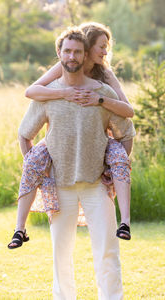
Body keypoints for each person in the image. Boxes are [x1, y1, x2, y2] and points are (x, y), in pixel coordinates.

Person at [16, 27, 136, 299]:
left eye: (77, 51)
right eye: (67, 51)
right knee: (61, 252)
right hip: (60, 185)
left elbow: (127, 129)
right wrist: (40, 168)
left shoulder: (103, 86)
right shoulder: (48, 92)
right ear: (59, 54)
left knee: (107, 249)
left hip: (96, 185)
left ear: (85, 56)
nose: (72, 56)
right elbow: (25, 134)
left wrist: (113, 167)